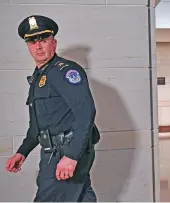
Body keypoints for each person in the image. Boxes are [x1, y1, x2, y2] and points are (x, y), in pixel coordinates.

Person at [5, 15, 100, 202]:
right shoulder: (40, 77)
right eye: (32, 42)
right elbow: (38, 125)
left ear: (53, 43)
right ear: (28, 46)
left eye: (43, 40)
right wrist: (23, 151)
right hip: (55, 151)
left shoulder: (65, 72)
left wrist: (71, 156)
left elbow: (85, 113)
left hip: (65, 152)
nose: (38, 46)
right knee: (81, 197)